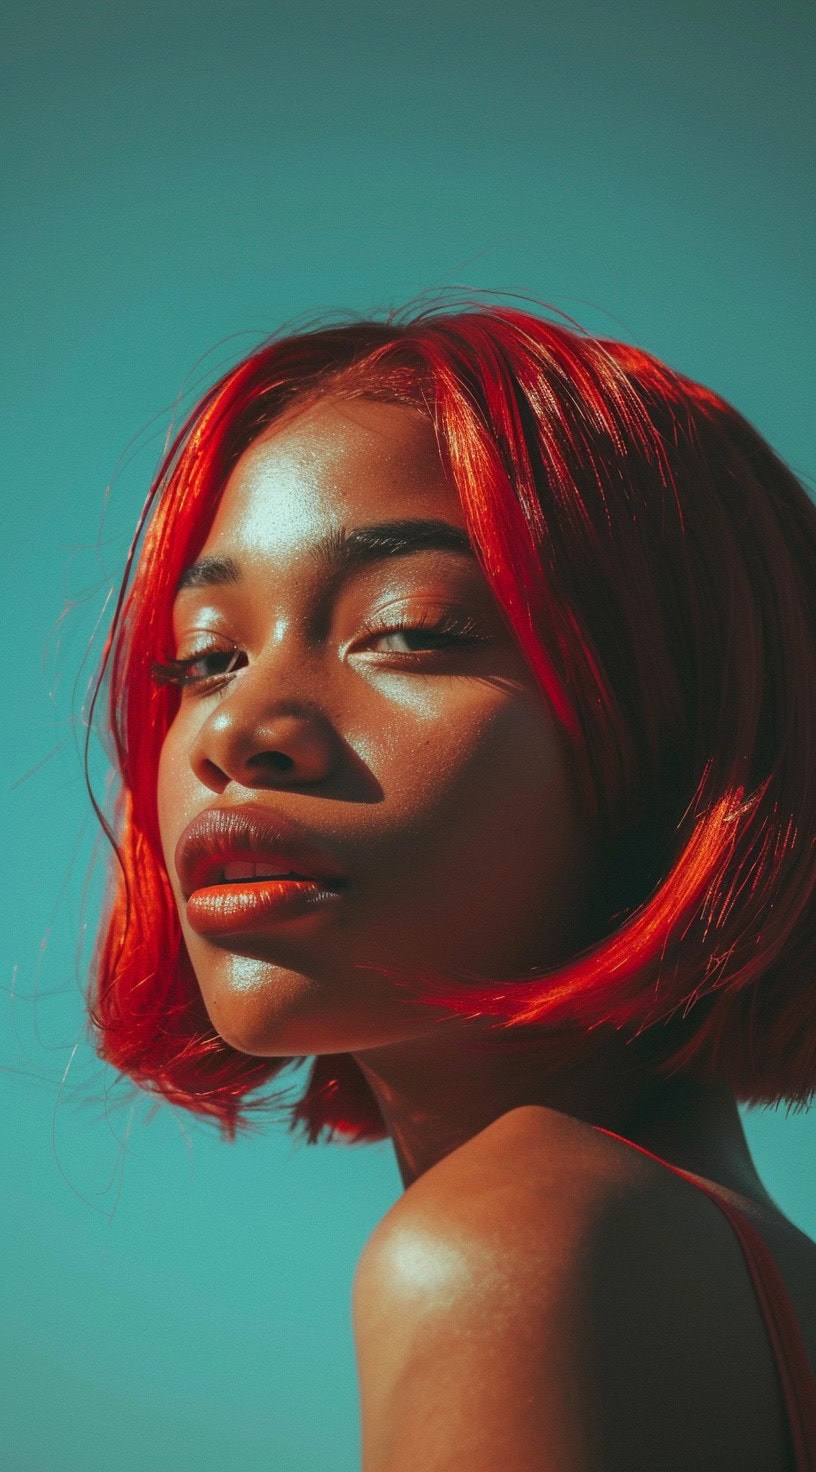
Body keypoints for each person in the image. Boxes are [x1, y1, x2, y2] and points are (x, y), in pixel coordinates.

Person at [87, 300, 816, 1470]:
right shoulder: (742, 1275)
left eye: (409, 629)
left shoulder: (516, 1250)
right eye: (208, 652)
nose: (237, 727)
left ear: (687, 720)